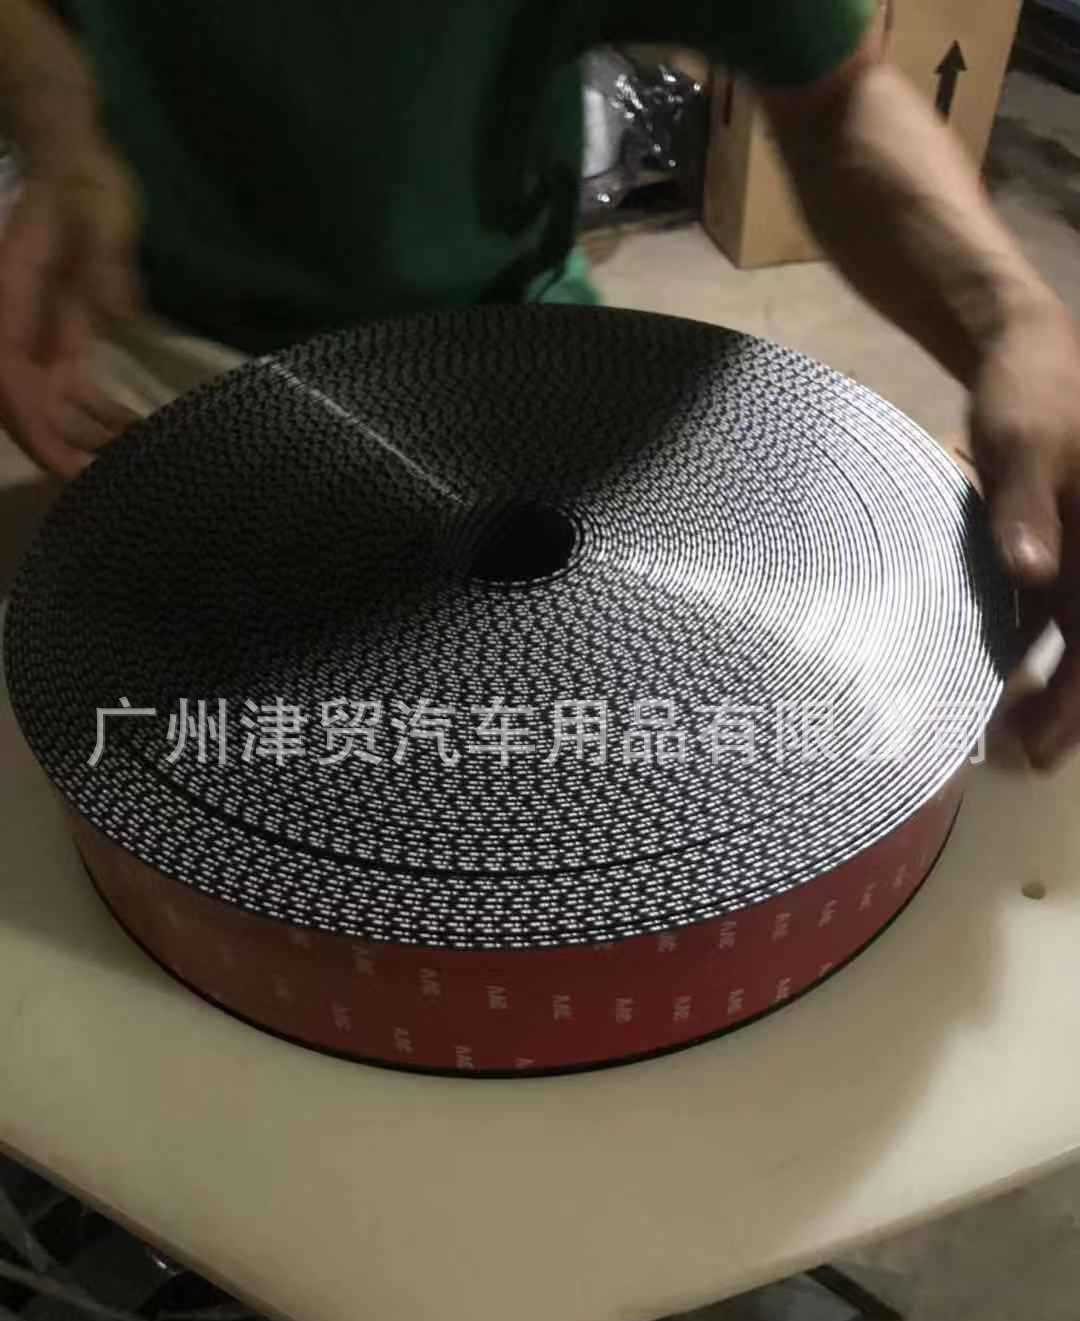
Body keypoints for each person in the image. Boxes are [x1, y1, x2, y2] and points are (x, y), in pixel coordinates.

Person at [1, 0, 1078, 768]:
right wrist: (59, 134)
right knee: (190, 776)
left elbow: (833, 100)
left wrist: (1014, 320)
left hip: (515, 357)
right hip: (146, 343)